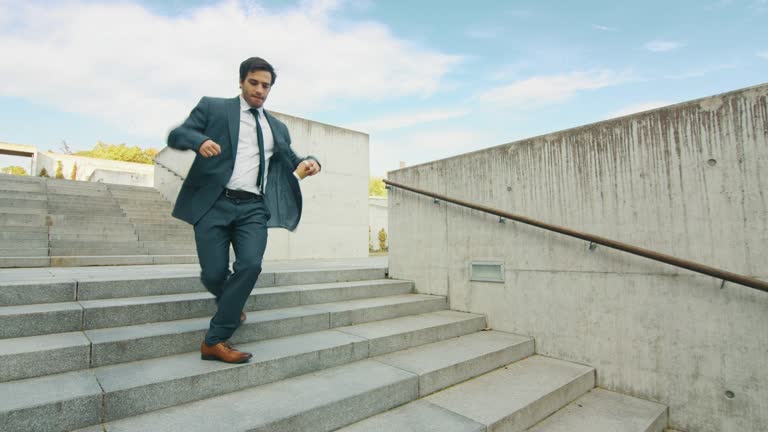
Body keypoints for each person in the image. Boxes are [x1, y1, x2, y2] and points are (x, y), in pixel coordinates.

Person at [167, 57, 321, 363]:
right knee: (213, 274)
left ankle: (215, 339)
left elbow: (291, 157)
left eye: (266, 86)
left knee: (250, 265)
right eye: (254, 83)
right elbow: (177, 135)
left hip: (253, 207)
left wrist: (309, 161)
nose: (260, 90)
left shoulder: (275, 126)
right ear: (241, 81)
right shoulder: (214, 107)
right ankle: (231, 305)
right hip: (213, 204)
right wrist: (200, 140)